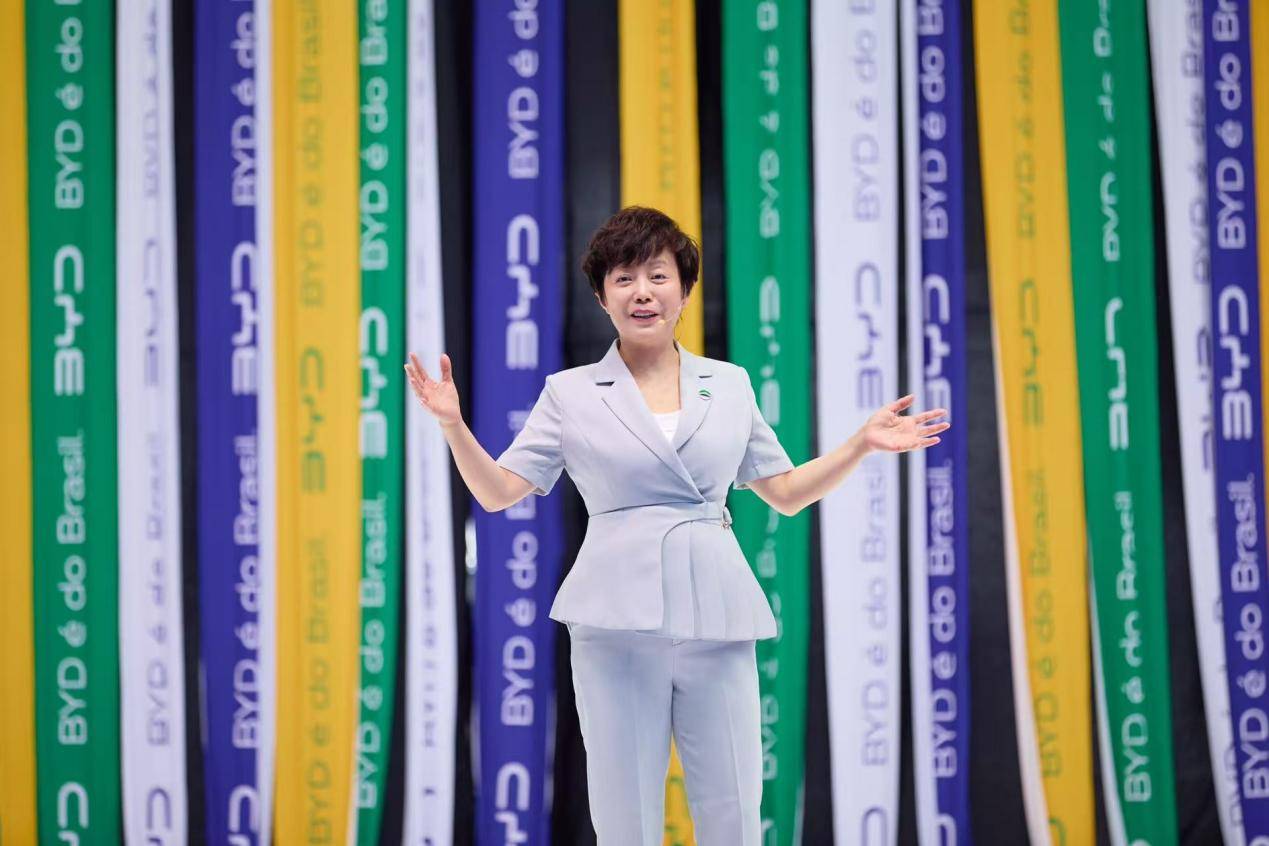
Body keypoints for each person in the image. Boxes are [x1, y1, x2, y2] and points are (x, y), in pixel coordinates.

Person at [405, 206, 948, 845]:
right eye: (624, 278)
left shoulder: (730, 384)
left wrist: (860, 445)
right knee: (625, 818)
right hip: (614, 621)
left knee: (734, 812)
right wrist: (453, 425)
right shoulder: (570, 392)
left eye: (658, 276)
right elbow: (498, 492)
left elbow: (785, 493)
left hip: (717, 613)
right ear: (602, 296)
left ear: (684, 291)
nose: (643, 292)